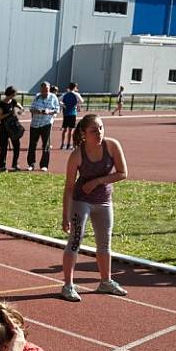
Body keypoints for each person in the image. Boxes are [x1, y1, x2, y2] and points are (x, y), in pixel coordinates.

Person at [60, 114, 129, 302]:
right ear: (84, 134)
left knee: (105, 244)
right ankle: (67, 285)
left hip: (104, 201)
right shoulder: (77, 155)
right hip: (81, 201)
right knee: (75, 241)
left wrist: (98, 181)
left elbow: (123, 173)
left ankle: (106, 282)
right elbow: (68, 187)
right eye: (93, 130)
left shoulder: (112, 145)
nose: (99, 133)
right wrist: (65, 215)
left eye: (101, 128)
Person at [27, 82, 59, 172]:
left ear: (49, 89)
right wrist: (37, 111)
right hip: (35, 124)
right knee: (32, 144)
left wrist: (49, 112)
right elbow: (31, 109)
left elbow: (57, 110)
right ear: (40, 90)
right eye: (43, 90)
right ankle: (31, 164)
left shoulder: (53, 97)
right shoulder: (37, 97)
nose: (45, 92)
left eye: (47, 90)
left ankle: (44, 165)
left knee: (46, 145)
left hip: (46, 123)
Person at [0, 86, 24, 171]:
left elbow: (21, 108)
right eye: (14, 94)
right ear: (10, 94)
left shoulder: (13, 101)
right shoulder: (2, 104)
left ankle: (15, 164)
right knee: (3, 148)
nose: (15, 96)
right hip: (4, 128)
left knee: (17, 146)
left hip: (14, 127)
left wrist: (21, 111)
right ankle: (2, 166)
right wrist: (9, 114)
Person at [60, 83, 84, 150]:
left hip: (66, 113)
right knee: (71, 130)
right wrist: (76, 105)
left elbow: (58, 100)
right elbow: (82, 101)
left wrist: (64, 105)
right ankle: (68, 144)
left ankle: (62, 144)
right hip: (72, 113)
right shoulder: (76, 94)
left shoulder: (65, 94)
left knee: (64, 129)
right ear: (75, 87)